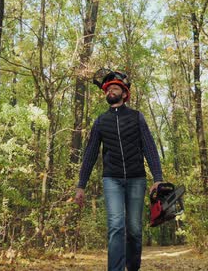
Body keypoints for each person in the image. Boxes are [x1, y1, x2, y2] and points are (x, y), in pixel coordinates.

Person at [74, 70, 164, 271]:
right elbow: (90, 153)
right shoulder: (100, 121)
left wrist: (157, 178)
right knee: (116, 226)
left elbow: (149, 146)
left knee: (134, 229)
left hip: (136, 179)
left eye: (115, 88)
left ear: (124, 94)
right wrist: (81, 185)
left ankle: (132, 267)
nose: (110, 91)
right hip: (111, 179)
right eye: (108, 89)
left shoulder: (136, 117)